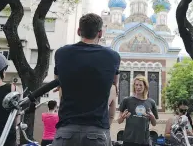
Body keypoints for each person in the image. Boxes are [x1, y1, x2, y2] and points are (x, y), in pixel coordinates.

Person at [52, 13, 120, 146]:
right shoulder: (112, 57)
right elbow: (113, 86)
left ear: (79, 31)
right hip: (97, 131)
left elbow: (59, 83)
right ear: (100, 34)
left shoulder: (61, 53)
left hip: (66, 131)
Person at [118, 75, 159, 146]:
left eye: (141, 85)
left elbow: (154, 124)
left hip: (144, 141)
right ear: (134, 86)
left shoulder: (151, 102)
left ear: (145, 87)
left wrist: (152, 117)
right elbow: (119, 121)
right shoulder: (126, 100)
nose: (138, 87)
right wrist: (122, 117)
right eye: (136, 85)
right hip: (128, 140)